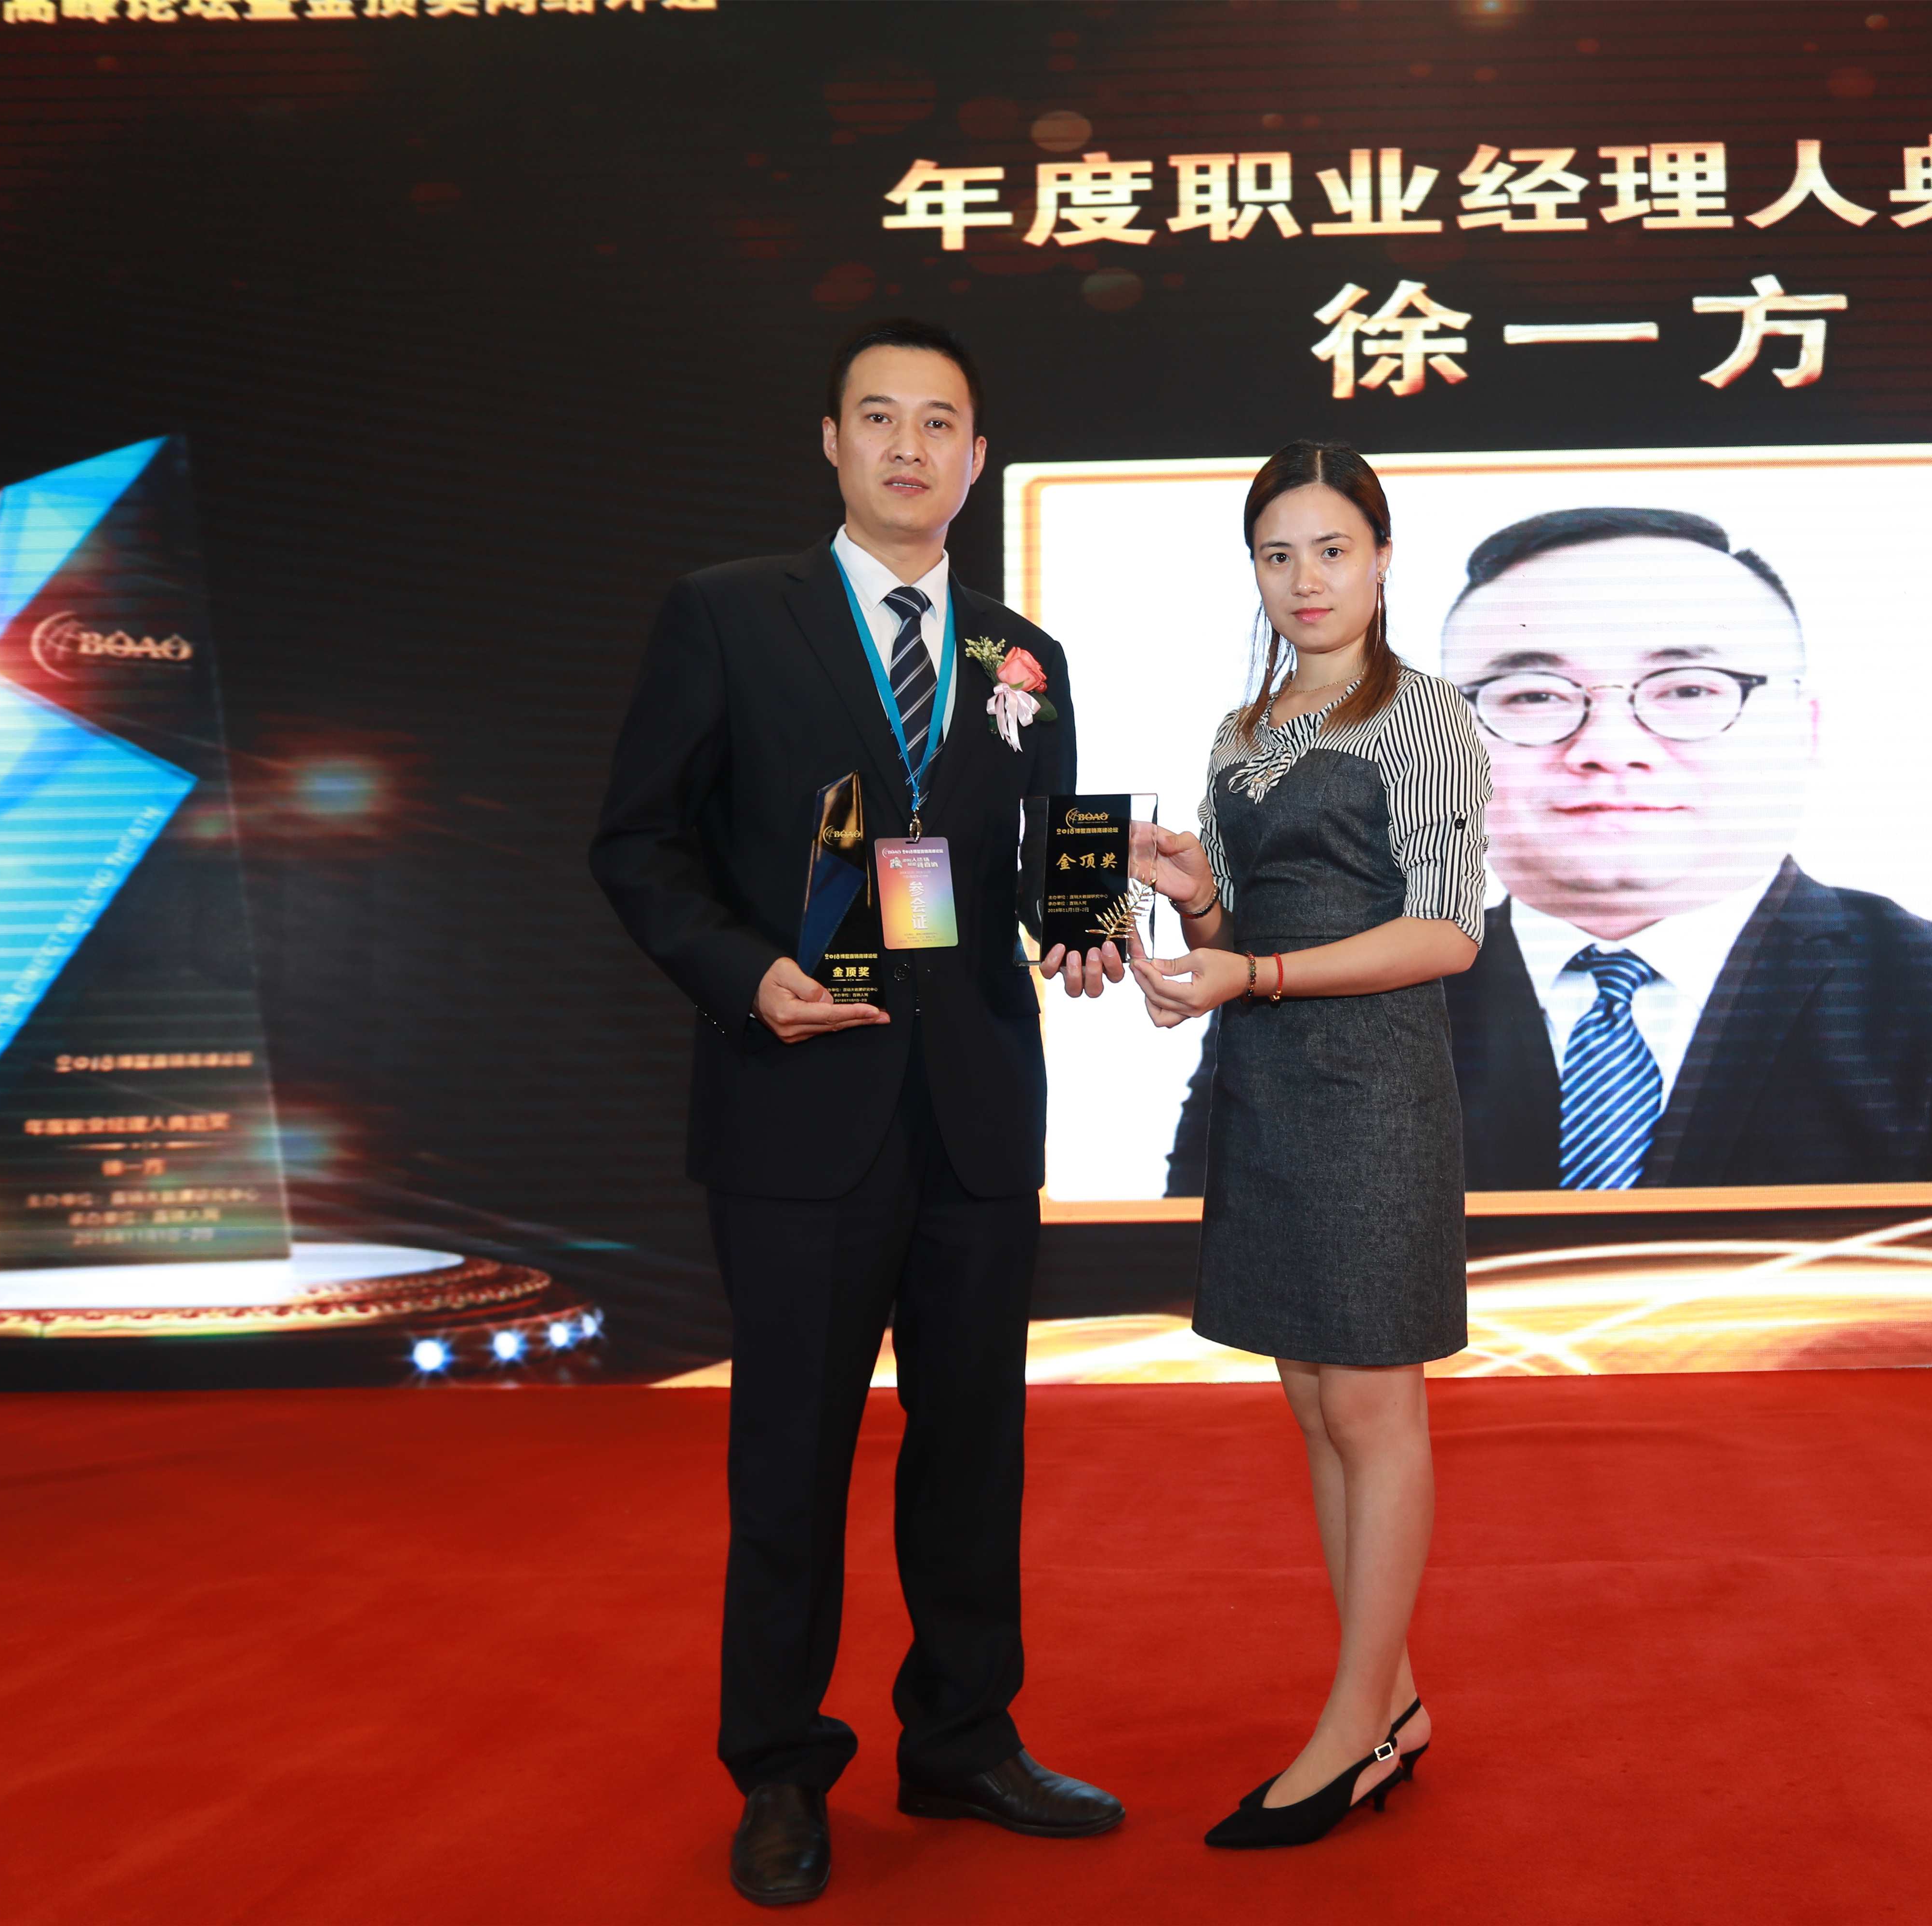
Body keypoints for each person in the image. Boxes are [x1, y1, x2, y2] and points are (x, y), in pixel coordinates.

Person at [590, 316, 1124, 1909]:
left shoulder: (1024, 655)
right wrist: (743, 975)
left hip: (975, 1110)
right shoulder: (727, 615)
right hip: (796, 1106)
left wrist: (1095, 916)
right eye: (878, 417)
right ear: (830, 442)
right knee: (792, 1458)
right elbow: (639, 845)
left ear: (978, 456)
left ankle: (962, 1738)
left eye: (939, 422)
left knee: (974, 1451)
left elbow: (1039, 865)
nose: (909, 446)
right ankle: (778, 1767)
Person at [1168, 505, 1932, 1196]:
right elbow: (1187, 1311)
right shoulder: (1319, 995)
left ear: (1804, 728)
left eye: (1689, 689)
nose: (1609, 747)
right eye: (1531, 696)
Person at [1127, 441, 1491, 1848]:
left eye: (1333, 549)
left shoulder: (1430, 715)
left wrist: (1258, 974)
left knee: (1373, 1409)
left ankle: (1351, 1730)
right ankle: (1389, 1701)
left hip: (1379, 1092)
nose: (1306, 580)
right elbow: (1236, 931)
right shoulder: (1240, 730)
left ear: (1384, 560)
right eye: (1278, 554)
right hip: (1268, 1092)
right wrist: (1196, 900)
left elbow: (1447, 931)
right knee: (1313, 1404)